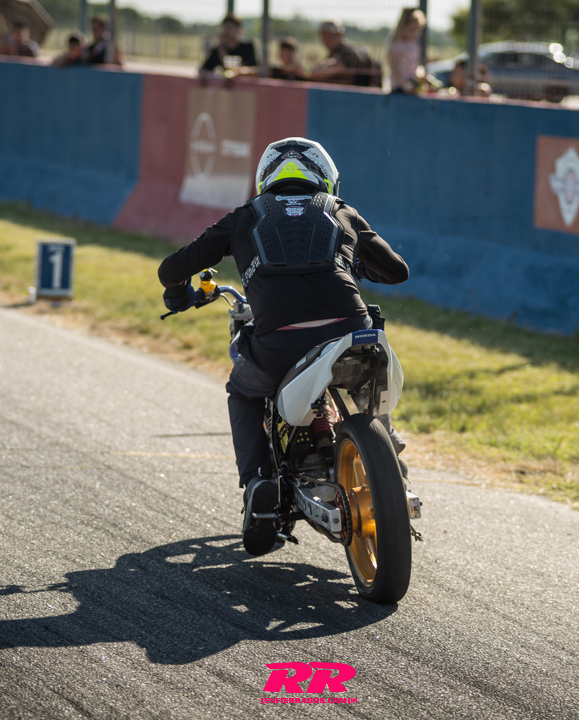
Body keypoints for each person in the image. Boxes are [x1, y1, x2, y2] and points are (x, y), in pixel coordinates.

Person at [157, 137, 409, 557]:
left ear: (265, 180)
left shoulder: (244, 216)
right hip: (352, 331)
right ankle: (388, 445)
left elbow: (171, 268)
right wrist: (354, 262)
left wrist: (178, 292)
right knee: (367, 378)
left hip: (279, 341)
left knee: (243, 391)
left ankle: (258, 483)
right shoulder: (341, 210)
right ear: (326, 178)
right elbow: (397, 271)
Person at [199, 14, 257, 82]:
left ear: (239, 30)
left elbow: (256, 70)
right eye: (226, 28)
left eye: (231, 28)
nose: (227, 32)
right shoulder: (218, 49)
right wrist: (221, 46)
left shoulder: (247, 47)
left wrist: (238, 72)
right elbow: (204, 70)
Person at [309, 20, 366, 86]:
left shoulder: (349, 52)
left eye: (330, 35)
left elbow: (336, 69)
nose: (326, 39)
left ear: (340, 35)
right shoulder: (335, 53)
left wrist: (305, 73)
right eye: (323, 35)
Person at [387, 7, 426, 94]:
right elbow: (394, 70)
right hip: (399, 87)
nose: (416, 33)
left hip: (412, 83)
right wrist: (404, 85)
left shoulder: (415, 45)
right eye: (412, 30)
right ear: (403, 27)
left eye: (418, 30)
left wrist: (422, 77)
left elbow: (417, 66)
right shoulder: (397, 46)